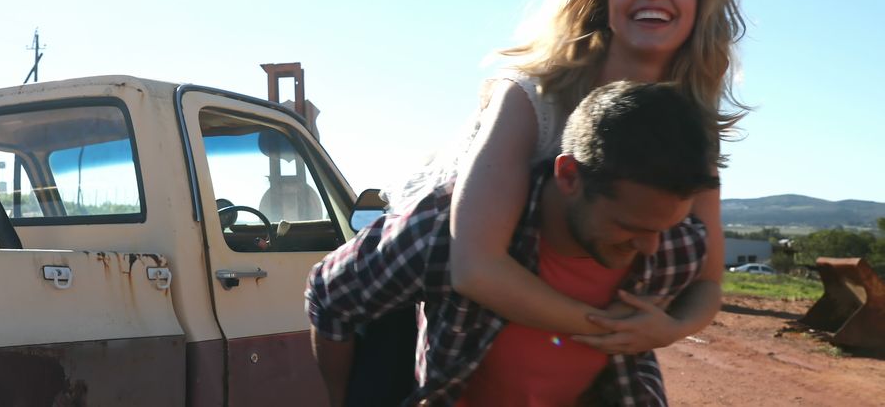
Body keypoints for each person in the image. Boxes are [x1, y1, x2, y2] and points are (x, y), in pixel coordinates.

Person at [307, 81, 720, 406]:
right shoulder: (443, 233)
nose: (652, 249)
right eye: (630, 227)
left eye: (665, 228)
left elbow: (704, 283)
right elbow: (330, 295)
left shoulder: (672, 249)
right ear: (569, 176)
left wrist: (672, 327)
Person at [448, 0, 746, 356]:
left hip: (583, 324)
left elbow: (707, 280)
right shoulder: (530, 97)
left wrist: (666, 329)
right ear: (606, 1)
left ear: (700, 5)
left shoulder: (690, 126)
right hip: (458, 313)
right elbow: (473, 267)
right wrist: (614, 332)